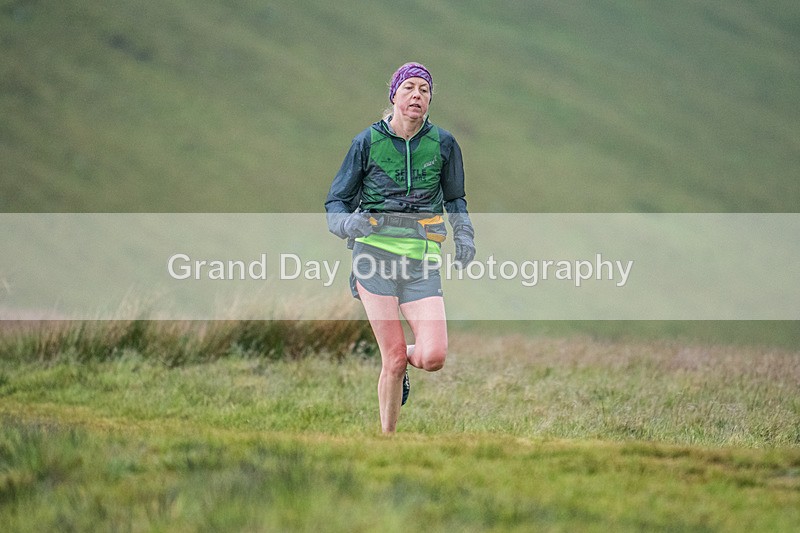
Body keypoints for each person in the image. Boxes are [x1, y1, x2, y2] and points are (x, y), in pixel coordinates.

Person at [325, 62, 475, 434]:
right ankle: (388, 441)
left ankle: (401, 362)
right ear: (394, 95)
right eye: (409, 87)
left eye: (424, 90)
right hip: (373, 258)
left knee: (434, 356)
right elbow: (336, 203)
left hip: (421, 260)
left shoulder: (443, 143)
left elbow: (456, 199)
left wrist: (465, 235)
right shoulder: (366, 142)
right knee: (391, 358)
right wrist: (348, 224)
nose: (417, 95)